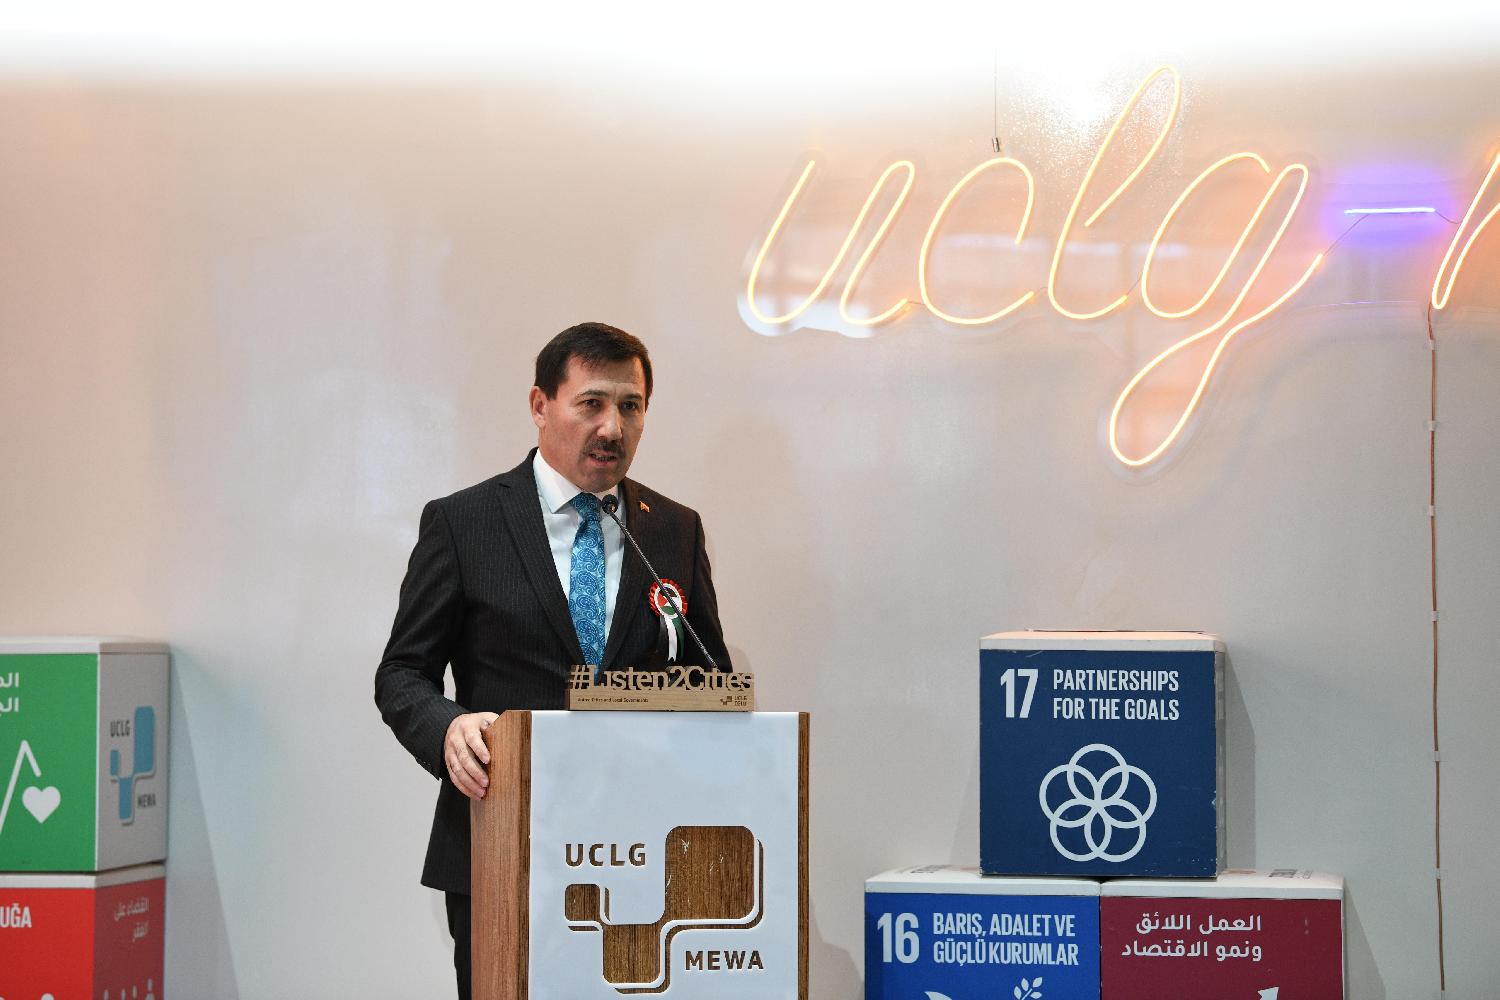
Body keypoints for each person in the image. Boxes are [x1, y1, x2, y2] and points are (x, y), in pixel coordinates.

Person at [374, 322, 731, 999]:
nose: (612, 427)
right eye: (591, 403)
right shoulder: (464, 522)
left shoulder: (673, 529)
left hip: (645, 851)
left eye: (630, 406)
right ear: (541, 405)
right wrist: (449, 727)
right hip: (502, 839)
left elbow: (708, 676)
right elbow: (401, 674)